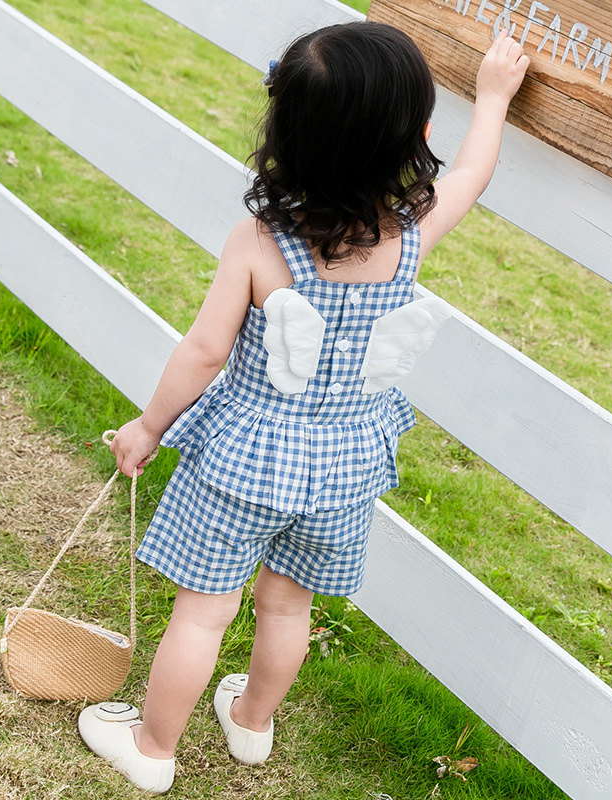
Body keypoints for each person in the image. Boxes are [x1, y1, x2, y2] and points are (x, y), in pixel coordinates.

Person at [77, 21, 529, 794]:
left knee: (204, 614)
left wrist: (150, 426)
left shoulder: (259, 242)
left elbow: (204, 353)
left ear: (284, 129)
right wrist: (492, 96)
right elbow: (477, 171)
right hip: (346, 462)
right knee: (287, 607)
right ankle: (251, 725)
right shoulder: (408, 235)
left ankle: (153, 749)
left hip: (248, 459)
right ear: (413, 138)